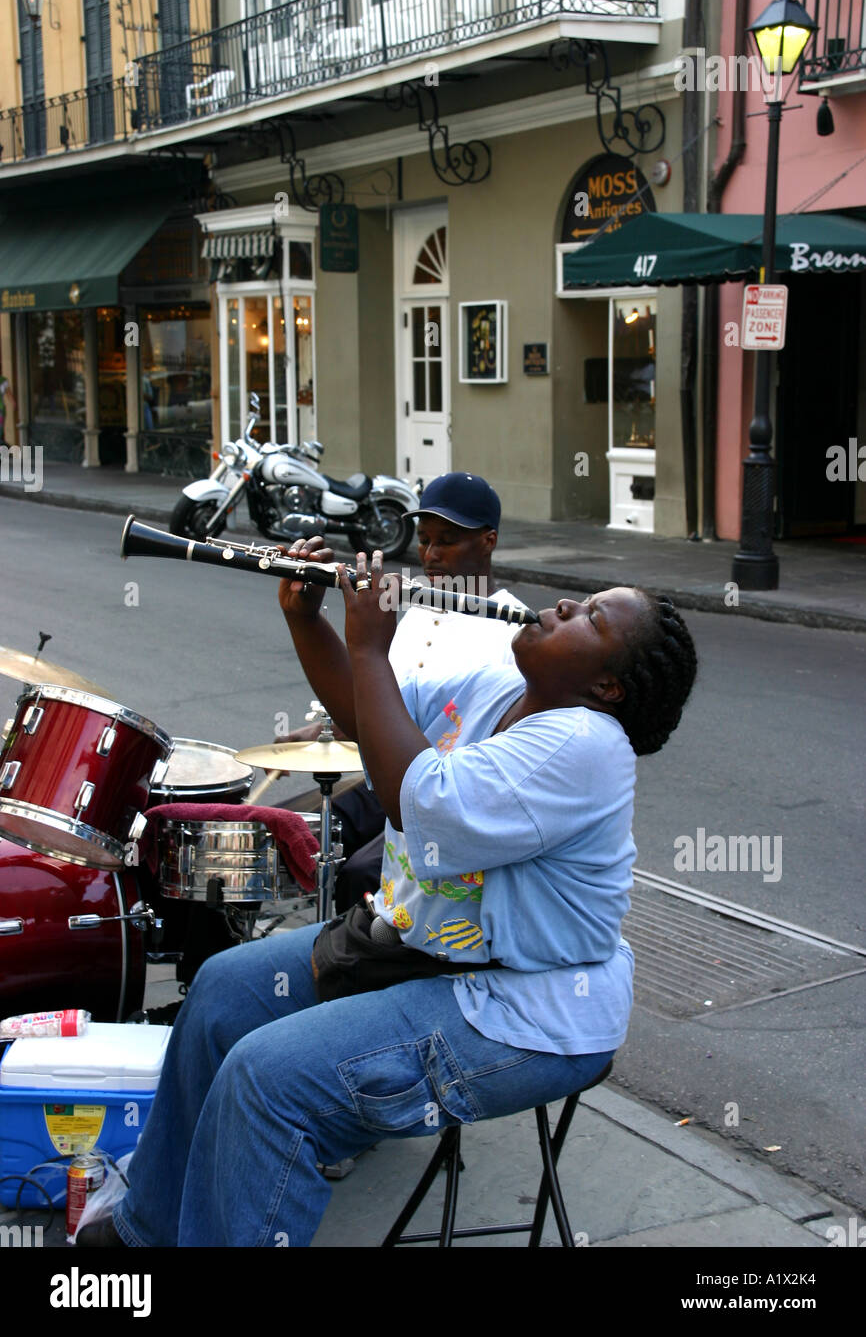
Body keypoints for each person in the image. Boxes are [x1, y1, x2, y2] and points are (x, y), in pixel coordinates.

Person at [79, 542, 697, 1248]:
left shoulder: (586, 744)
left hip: (523, 1006)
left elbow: (419, 802)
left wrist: (372, 646)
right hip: (421, 958)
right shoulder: (499, 690)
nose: (563, 606)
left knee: (269, 1081)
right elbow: (363, 719)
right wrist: (309, 619)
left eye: (591, 618)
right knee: (221, 991)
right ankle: (149, 1229)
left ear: (609, 685)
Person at [280, 472, 527, 910]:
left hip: (443, 795)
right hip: (382, 776)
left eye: (447, 541)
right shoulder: (412, 613)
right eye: (425, 539)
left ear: (488, 541)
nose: (430, 555)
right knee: (290, 827)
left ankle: (363, 953)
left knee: (358, 872)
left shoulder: (516, 630)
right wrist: (322, 729)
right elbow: (381, 701)